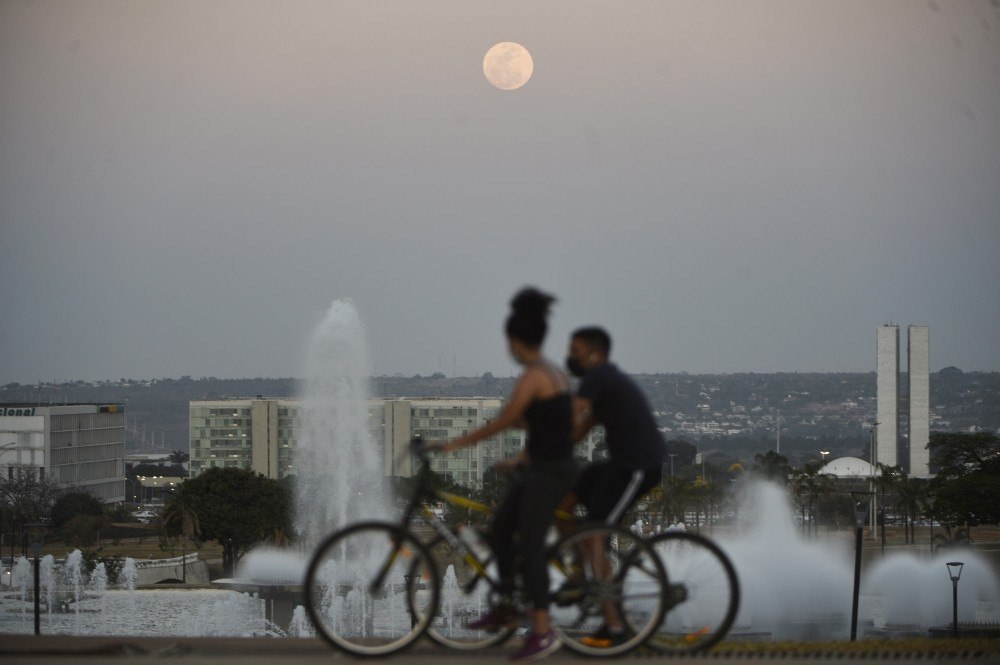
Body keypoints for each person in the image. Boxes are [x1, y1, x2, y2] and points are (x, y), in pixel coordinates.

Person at [435, 287, 576, 663]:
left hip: (551, 473)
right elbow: (547, 427)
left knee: (529, 546)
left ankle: (543, 633)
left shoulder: (535, 376)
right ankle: (507, 606)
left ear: (515, 340)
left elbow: (508, 421)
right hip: (542, 467)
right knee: (500, 530)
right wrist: (519, 459)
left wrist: (455, 445)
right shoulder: (553, 373)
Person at [560, 325, 668, 647]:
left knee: (596, 532)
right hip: (619, 464)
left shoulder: (598, 377)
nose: (570, 357)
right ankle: (581, 574)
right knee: (564, 504)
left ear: (595, 353)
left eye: (575, 351)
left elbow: (574, 414)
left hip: (638, 466)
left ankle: (614, 625)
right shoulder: (605, 385)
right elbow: (578, 431)